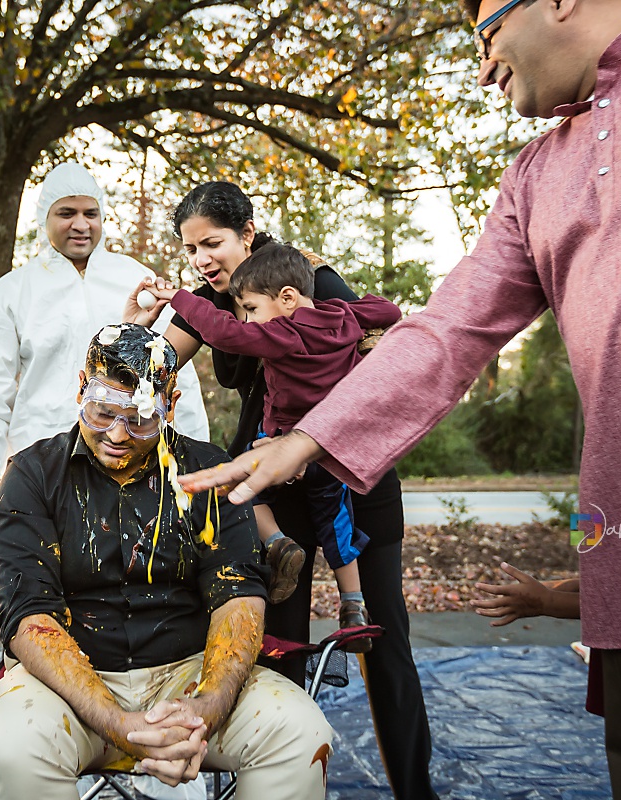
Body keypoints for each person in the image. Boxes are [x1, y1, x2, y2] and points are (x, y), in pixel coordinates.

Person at [177, 2, 621, 797]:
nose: (482, 65)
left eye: (487, 33)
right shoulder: (534, 175)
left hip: (358, 490)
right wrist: (303, 440)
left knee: (381, 635)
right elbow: (446, 329)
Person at [127, 181, 440, 800]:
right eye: (191, 249)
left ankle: (415, 791)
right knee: (280, 647)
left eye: (211, 243)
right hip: (274, 486)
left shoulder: (311, 283)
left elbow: (380, 364)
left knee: (385, 641)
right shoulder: (214, 298)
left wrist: (322, 441)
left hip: (352, 475)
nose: (201, 260)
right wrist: (137, 324)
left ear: (247, 234)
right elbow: (148, 365)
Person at [0, 324, 333, 800]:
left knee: (299, 734)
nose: (118, 436)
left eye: (142, 419)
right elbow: (28, 614)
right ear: (81, 387)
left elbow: (239, 596)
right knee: (16, 747)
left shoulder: (208, 471)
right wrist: (114, 721)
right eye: (102, 412)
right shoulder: (31, 474)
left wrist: (207, 710)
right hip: (70, 685)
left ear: (171, 401)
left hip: (189, 673)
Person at [0, 163, 209, 571]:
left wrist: (190, 476)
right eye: (66, 213)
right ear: (44, 219)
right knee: (41, 591)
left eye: (90, 214)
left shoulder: (137, 282)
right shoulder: (11, 293)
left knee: (126, 591)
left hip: (133, 466)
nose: (80, 225)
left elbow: (178, 377)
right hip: (39, 473)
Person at [147, 243, 403, 644]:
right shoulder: (342, 316)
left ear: (286, 299)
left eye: (251, 308)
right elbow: (388, 311)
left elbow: (223, 332)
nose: (248, 319)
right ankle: (353, 605)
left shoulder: (282, 334)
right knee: (337, 523)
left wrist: (177, 297)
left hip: (283, 444)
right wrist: (372, 305)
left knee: (240, 489)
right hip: (330, 446)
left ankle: (279, 543)